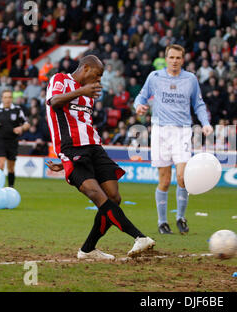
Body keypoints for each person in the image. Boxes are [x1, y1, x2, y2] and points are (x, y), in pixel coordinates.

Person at [44, 55, 155, 260]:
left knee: (114, 197)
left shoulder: (89, 95)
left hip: (94, 147)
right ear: (85, 68)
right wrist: (66, 157)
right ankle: (139, 236)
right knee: (97, 195)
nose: (99, 81)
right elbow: (54, 102)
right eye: (97, 75)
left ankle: (87, 250)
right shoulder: (60, 79)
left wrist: (84, 92)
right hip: (72, 149)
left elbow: (80, 121)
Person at [134, 44, 213, 235]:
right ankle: (162, 222)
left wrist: (205, 122)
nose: (175, 61)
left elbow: (199, 104)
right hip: (160, 132)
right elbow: (141, 97)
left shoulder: (190, 79)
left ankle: (180, 217)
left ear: (183, 60)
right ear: (166, 58)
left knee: (182, 177)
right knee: (165, 180)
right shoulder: (155, 77)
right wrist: (138, 106)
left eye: (178, 58)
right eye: (171, 57)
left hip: (182, 131)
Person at [0, 89, 30, 188]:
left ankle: (10, 187)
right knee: (0, 165)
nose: (7, 99)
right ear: (1, 98)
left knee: (11, 167)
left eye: (9, 97)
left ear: (12, 98)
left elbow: (27, 124)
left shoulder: (17, 110)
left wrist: (21, 128)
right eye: (5, 97)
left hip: (12, 141)